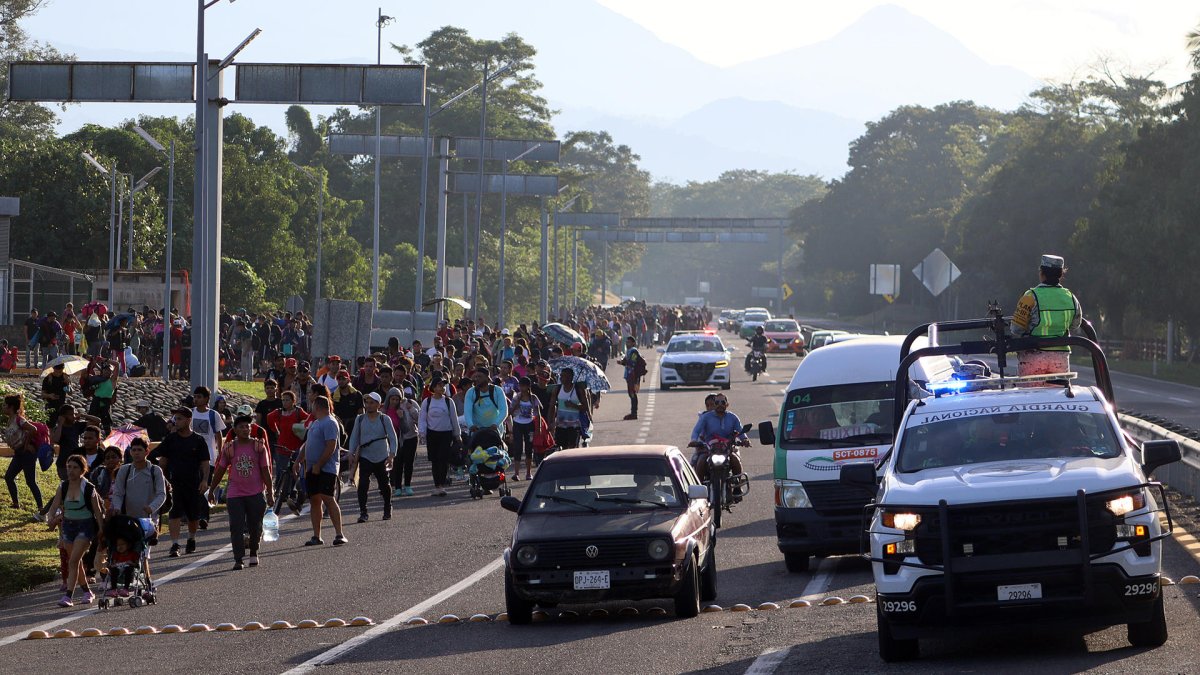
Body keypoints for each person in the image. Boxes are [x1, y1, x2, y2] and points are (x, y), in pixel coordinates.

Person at [209, 415, 274, 570]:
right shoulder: (230, 448)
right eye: (242, 427)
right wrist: (212, 489)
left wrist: (270, 492)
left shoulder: (259, 447)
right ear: (235, 430)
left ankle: (253, 552)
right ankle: (238, 559)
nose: (246, 429)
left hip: (256, 492)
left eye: (248, 426)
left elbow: (265, 471)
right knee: (236, 527)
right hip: (235, 493)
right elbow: (221, 469)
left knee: (255, 526)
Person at [150, 408, 210, 558]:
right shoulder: (171, 439)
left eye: (180, 419)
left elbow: (205, 463)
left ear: (189, 420)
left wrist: (204, 480)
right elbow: (157, 456)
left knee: (193, 516)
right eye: (175, 419)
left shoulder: (198, 440)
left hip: (193, 482)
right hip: (174, 483)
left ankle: (191, 538)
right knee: (174, 513)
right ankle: (175, 544)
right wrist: (161, 477)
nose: (176, 422)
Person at [45, 454, 104, 607]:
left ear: (82, 470)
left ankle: (68, 596)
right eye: (69, 467)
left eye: (75, 467)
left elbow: (98, 512)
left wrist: (101, 530)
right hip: (68, 527)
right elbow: (53, 508)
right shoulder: (62, 486)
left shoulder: (89, 488)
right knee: (75, 563)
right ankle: (87, 591)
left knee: (73, 561)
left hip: (85, 527)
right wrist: (51, 519)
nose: (71, 470)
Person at [1011, 254, 1083, 376]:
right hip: (1060, 360)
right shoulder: (1071, 297)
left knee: (1031, 393)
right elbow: (1075, 325)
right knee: (1058, 394)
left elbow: (1016, 329)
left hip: (1032, 357)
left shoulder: (1029, 296)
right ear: (1061, 274)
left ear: (1041, 273)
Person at [296, 396, 347, 546]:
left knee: (328, 497)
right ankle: (316, 536)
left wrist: (319, 464)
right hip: (312, 467)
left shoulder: (330, 422)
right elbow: (307, 443)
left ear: (317, 406)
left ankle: (339, 534)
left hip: (326, 468)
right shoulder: (316, 423)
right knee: (314, 500)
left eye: (312, 405)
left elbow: (331, 445)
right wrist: (299, 460)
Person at [348, 391, 397, 522]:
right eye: (366, 402)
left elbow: (393, 438)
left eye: (371, 403)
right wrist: (351, 453)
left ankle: (387, 507)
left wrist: (391, 455)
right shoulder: (360, 419)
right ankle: (363, 512)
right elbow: (354, 437)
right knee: (363, 484)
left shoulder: (384, 419)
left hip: (382, 456)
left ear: (378, 405)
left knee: (384, 485)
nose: (368, 405)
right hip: (365, 456)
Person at [690, 394, 748, 481]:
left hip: (727, 449)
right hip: (709, 449)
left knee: (735, 460)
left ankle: (737, 486)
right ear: (715, 404)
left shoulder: (733, 417)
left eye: (723, 402)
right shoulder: (705, 417)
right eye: (717, 402)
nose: (720, 405)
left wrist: (745, 439)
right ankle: (700, 487)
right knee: (701, 461)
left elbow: (740, 431)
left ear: (727, 404)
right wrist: (694, 440)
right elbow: (696, 431)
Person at [419, 377, 460, 497]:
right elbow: (422, 418)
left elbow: (454, 419)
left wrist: (457, 435)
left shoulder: (448, 401)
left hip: (446, 434)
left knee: (443, 459)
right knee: (434, 460)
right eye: (439, 385)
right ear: (433, 387)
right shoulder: (427, 402)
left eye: (443, 385)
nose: (442, 388)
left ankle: (442, 485)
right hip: (432, 434)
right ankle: (437, 485)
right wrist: (422, 433)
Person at [190, 386, 225, 529]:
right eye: (195, 396)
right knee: (193, 486)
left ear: (206, 399)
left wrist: (220, 452)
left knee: (204, 486)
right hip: (192, 456)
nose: (196, 399)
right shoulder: (190, 413)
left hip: (209, 456)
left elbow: (218, 435)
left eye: (199, 397)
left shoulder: (213, 415)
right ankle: (193, 515)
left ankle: (204, 516)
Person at [4, 393, 44, 515]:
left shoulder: (19, 419)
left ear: (10, 407)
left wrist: (26, 445)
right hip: (18, 453)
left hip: (26, 454)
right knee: (9, 477)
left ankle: (41, 508)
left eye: (5, 405)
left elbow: (33, 429)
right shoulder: (10, 419)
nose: (3, 407)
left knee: (30, 481)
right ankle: (16, 503)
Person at [265, 390, 308, 493]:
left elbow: (309, 419)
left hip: (296, 446)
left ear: (293, 401)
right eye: (283, 400)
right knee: (281, 470)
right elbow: (269, 418)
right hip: (282, 446)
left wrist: (302, 427)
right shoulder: (278, 412)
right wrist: (275, 430)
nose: (284, 402)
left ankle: (294, 490)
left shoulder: (298, 411)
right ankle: (279, 490)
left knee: (295, 469)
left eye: (287, 400)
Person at [549, 367, 591, 450]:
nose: (561, 378)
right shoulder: (557, 389)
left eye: (564, 376)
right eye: (561, 376)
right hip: (560, 426)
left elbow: (585, 407)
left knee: (572, 449)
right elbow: (551, 406)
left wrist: (573, 405)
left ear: (570, 377)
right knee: (561, 449)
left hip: (574, 426)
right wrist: (551, 422)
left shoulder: (578, 390)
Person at [508, 377, 541, 481]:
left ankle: (528, 473)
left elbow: (538, 414)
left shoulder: (533, 398)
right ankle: (516, 473)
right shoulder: (516, 397)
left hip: (529, 424)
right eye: (520, 386)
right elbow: (510, 412)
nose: (522, 388)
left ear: (528, 386)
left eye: (524, 386)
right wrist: (516, 404)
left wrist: (538, 428)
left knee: (528, 448)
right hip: (518, 424)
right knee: (517, 448)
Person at [463, 367, 509, 440]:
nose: (477, 379)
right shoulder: (470, 392)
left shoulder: (497, 391)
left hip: (495, 431)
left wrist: (495, 424)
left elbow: (504, 411)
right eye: (476, 376)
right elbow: (467, 411)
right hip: (477, 431)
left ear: (488, 378)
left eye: (480, 377)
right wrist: (470, 425)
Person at [616, 336, 646, 420]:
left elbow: (632, 362)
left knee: (632, 394)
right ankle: (633, 412)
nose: (627, 343)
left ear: (633, 343)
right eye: (626, 342)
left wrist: (623, 362)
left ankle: (634, 413)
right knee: (631, 393)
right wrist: (622, 362)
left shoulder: (634, 351)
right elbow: (627, 362)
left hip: (633, 375)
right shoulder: (628, 351)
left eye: (629, 342)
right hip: (629, 375)